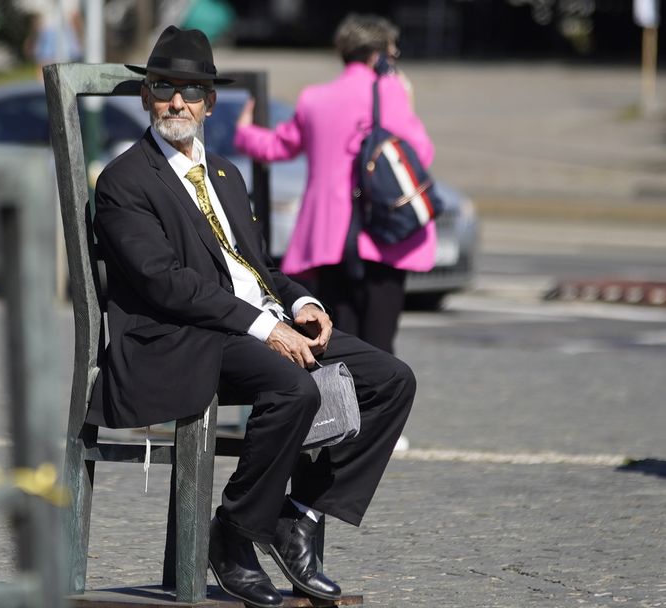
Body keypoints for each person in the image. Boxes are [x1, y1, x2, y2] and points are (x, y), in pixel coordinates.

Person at [89, 26, 415, 607]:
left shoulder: (225, 174)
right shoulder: (124, 180)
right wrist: (266, 327)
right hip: (181, 337)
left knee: (391, 380)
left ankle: (298, 516)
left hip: (248, 326)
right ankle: (235, 533)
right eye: (164, 88)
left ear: (210, 103)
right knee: (293, 387)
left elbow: (256, 268)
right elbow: (166, 283)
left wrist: (302, 303)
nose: (177, 102)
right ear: (145, 96)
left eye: (192, 90)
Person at [234, 14, 435, 357]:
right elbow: (421, 155)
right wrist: (408, 100)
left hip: (329, 240)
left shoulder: (315, 98)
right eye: (393, 53)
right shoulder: (391, 93)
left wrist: (244, 131)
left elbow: (279, 146)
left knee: (341, 344)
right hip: (382, 233)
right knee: (379, 349)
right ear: (379, 56)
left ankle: (342, 395)